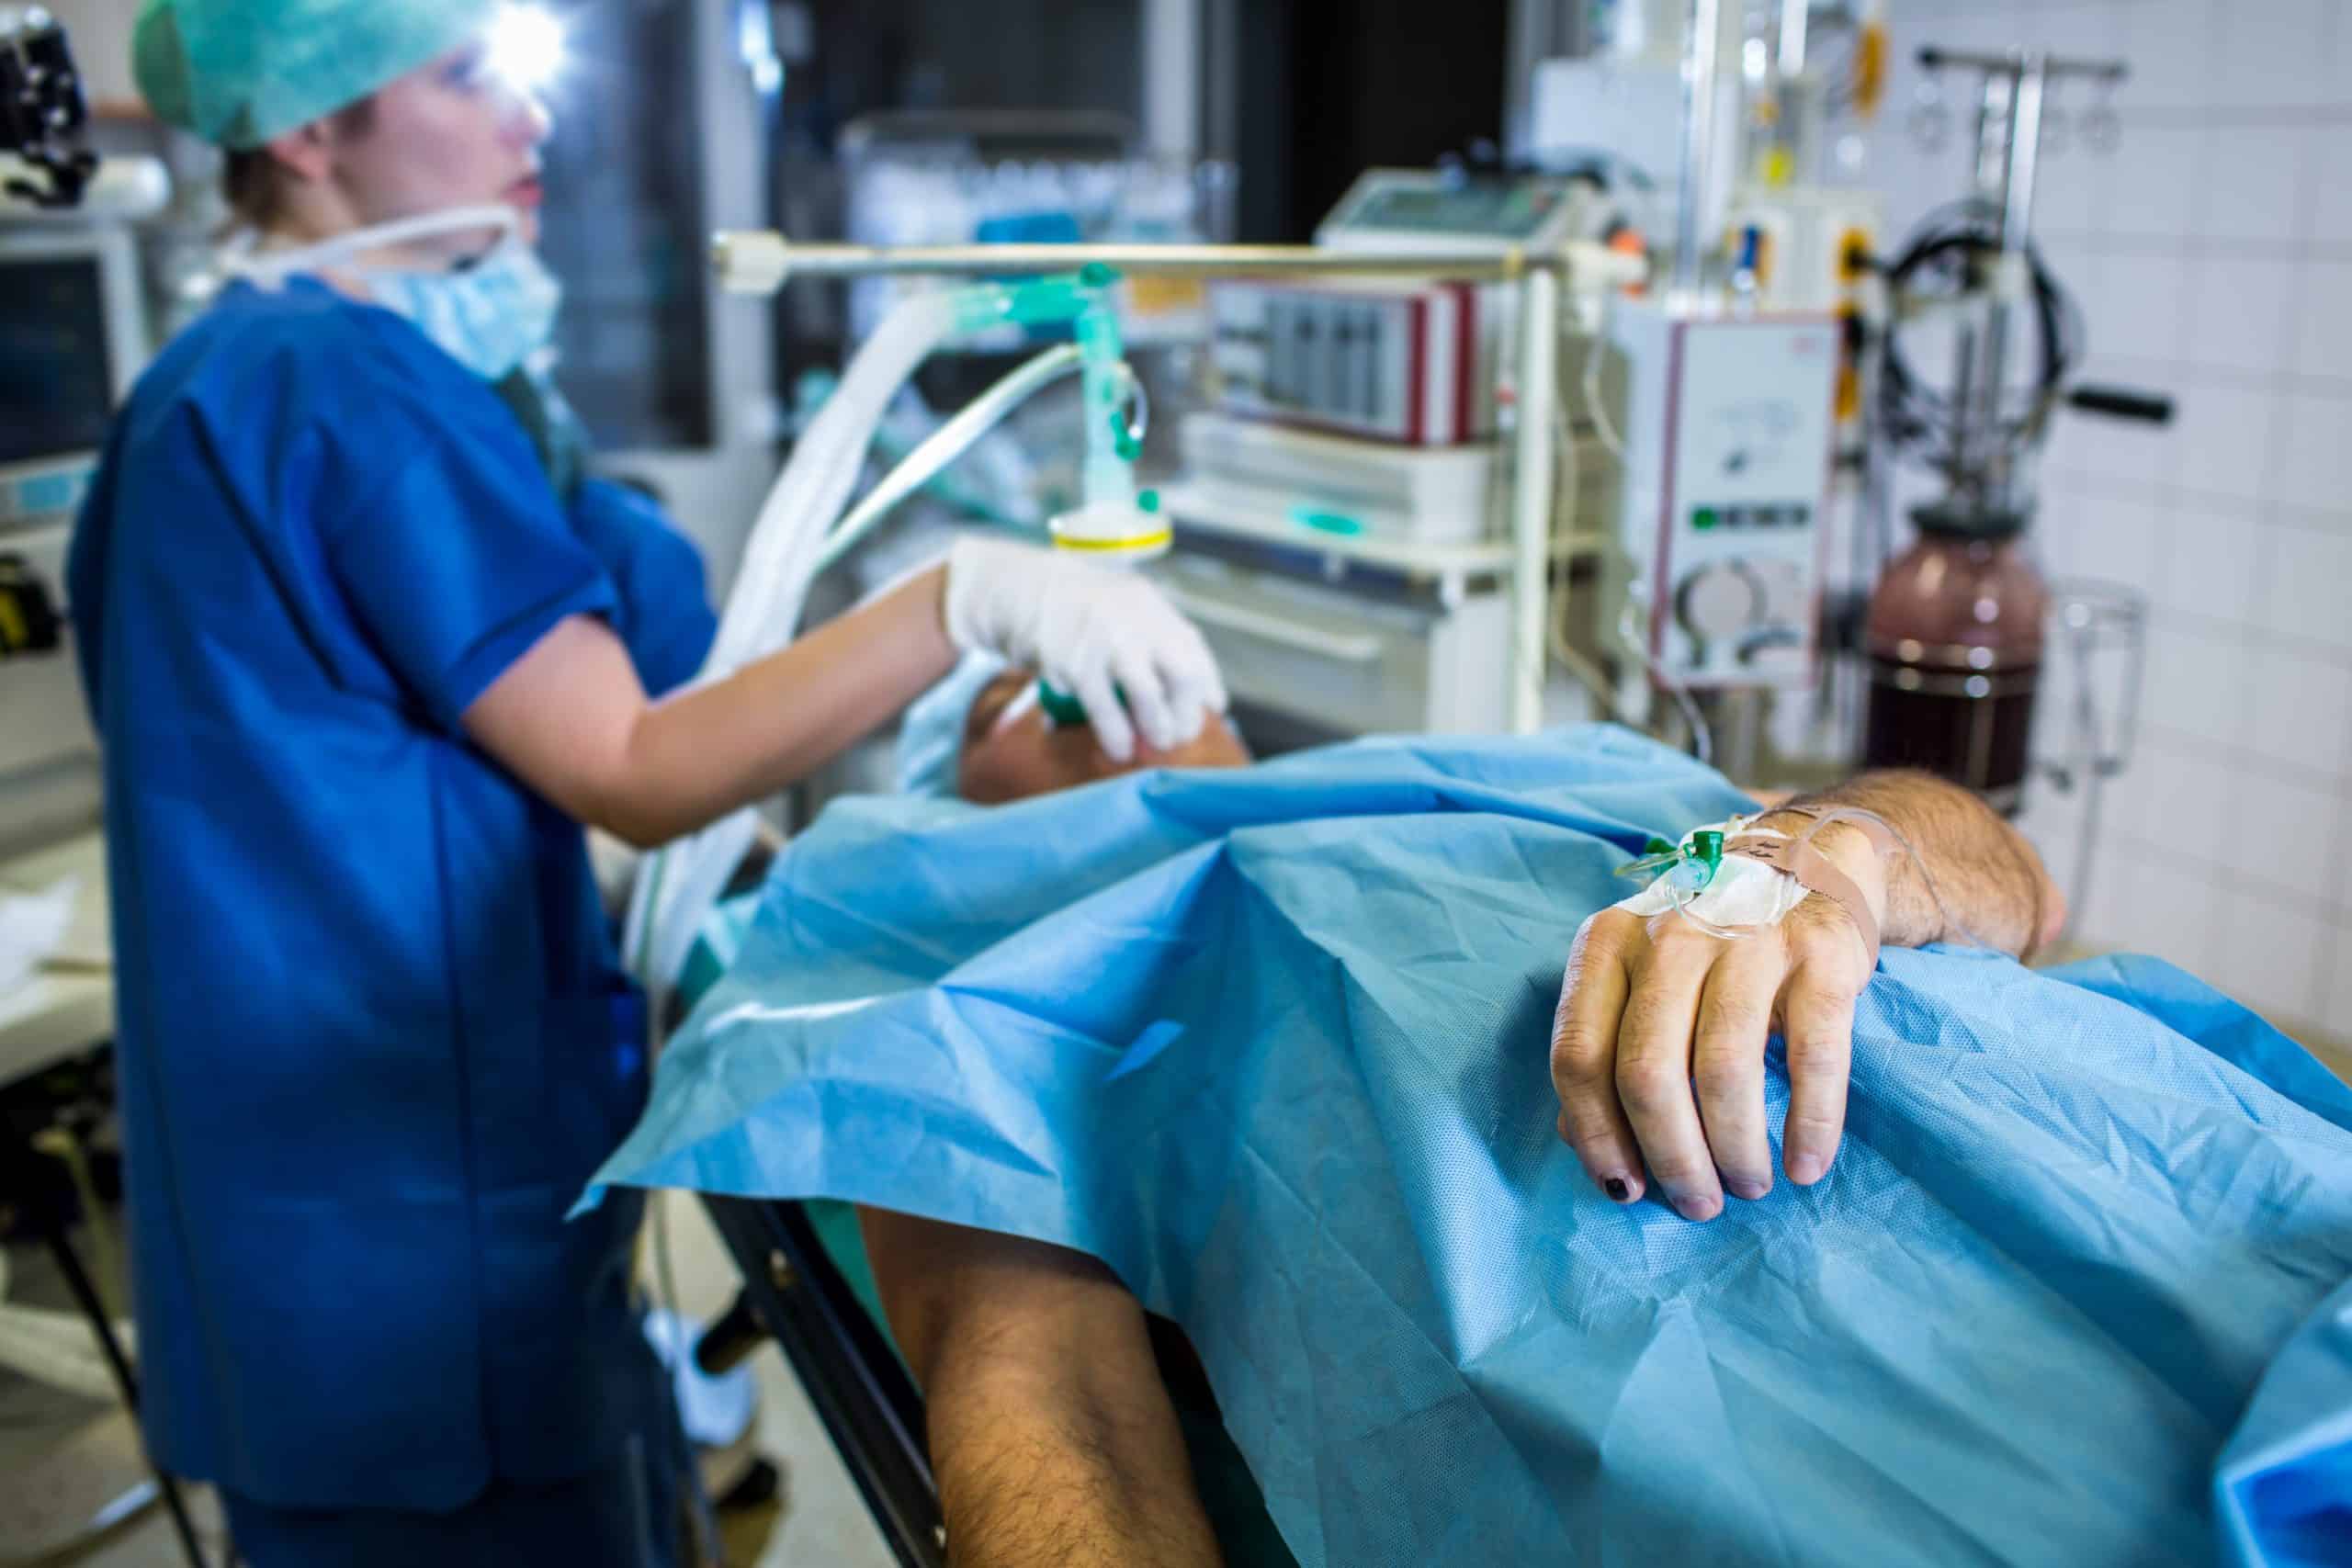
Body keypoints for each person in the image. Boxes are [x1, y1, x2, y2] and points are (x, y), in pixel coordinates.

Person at [66, 2, 1224, 1561]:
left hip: (327, 1196)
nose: (527, 122)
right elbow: (629, 761)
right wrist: (962, 597)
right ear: (308, 132)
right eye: (470, 77)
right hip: (399, 1208)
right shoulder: (335, 393)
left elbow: (665, 653)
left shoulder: (251, 384)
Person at [594, 673, 2352, 1567]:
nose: (1099, 704)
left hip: (2163, 1174)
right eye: (1019, 706)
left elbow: (2009, 882)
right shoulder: (970, 982)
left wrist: (1826, 854)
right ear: (961, 804)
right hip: (1806, 1393)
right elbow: (1034, 1386)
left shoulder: (1570, 775)